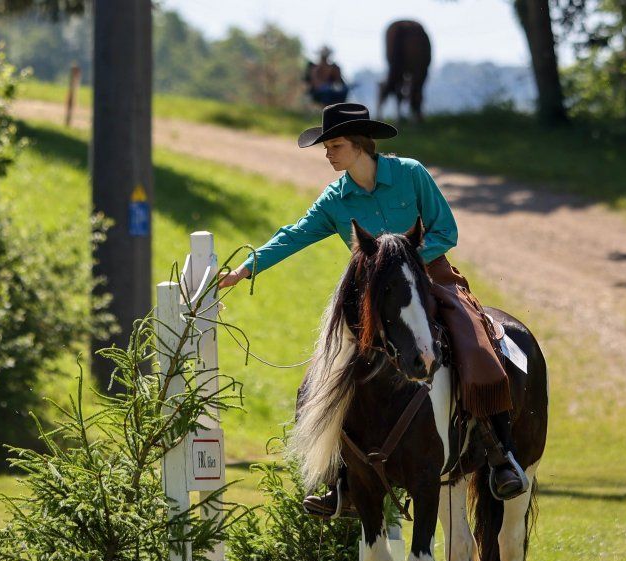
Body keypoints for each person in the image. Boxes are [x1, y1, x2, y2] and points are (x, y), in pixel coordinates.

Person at [218, 102, 529, 515]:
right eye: (326, 146)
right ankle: (338, 479)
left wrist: (406, 263)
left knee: (475, 341)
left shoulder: (411, 174)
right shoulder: (334, 199)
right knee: (325, 369)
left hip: (429, 276)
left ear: (362, 145)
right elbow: (293, 235)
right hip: (372, 297)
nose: (329, 153)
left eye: (336, 145)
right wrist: (245, 268)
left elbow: (446, 230)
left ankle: (499, 451)